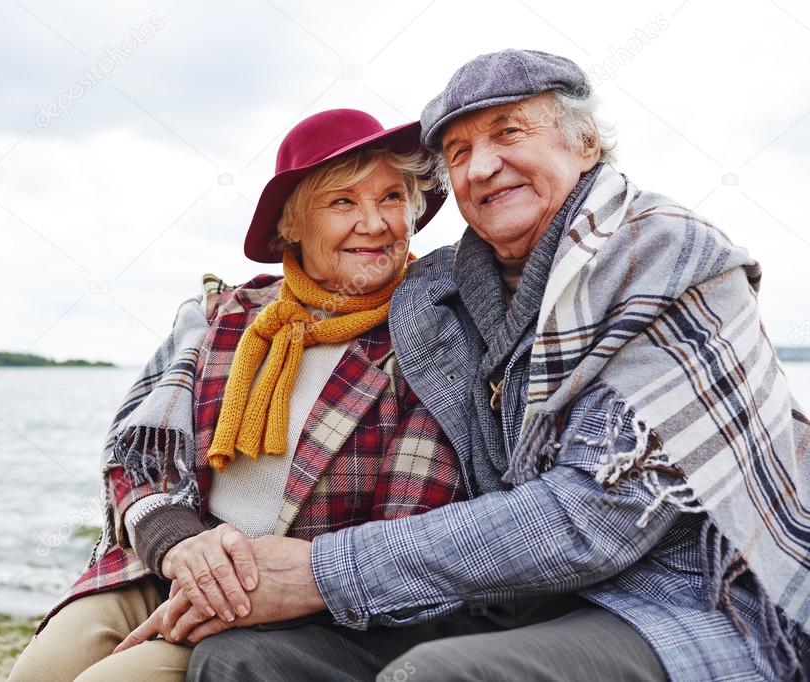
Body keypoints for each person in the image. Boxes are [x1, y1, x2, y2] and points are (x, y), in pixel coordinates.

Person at [127, 50, 810, 681]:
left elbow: (595, 518)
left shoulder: (664, 256)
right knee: (241, 661)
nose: (480, 166)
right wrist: (225, 564)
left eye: (508, 132)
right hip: (522, 593)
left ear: (585, 142)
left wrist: (318, 571)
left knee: (433, 678)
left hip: (686, 591)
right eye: (458, 151)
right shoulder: (457, 287)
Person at [6, 108, 469, 681]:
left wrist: (246, 579)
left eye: (392, 197)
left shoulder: (432, 334)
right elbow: (133, 454)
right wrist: (177, 545)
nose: (375, 223)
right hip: (174, 562)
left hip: (302, 602)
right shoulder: (221, 314)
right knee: (40, 671)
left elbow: (411, 520)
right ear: (292, 225)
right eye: (343, 202)